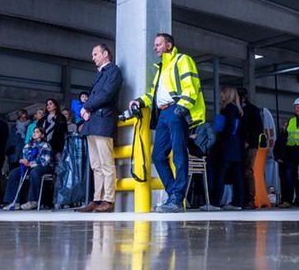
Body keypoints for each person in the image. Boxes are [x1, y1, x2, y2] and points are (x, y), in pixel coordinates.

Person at [129, 33, 205, 214]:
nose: (154, 47)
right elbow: (153, 95)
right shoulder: (161, 68)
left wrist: (182, 107)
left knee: (179, 153)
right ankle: (175, 196)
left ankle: (177, 197)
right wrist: (140, 101)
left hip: (176, 109)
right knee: (158, 156)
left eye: (158, 44)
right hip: (163, 113)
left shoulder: (182, 60)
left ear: (169, 45)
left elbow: (191, 86)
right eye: (154, 45)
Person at [77, 43, 123, 213]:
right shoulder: (100, 74)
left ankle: (108, 199)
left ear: (105, 54)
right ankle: (97, 199)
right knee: (95, 164)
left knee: (106, 163)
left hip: (103, 120)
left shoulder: (113, 71)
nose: (93, 57)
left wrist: (87, 106)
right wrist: (87, 109)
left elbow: (107, 94)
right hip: (93, 122)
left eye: (95, 54)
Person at [3, 126, 53, 210]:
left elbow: (45, 161)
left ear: (42, 135)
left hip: (43, 167)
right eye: (34, 132)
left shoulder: (45, 145)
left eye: (37, 132)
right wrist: (23, 160)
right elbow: (25, 156)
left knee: (35, 173)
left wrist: (30, 164)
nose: (34, 134)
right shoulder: (29, 145)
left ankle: (33, 200)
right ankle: (14, 201)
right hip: (29, 166)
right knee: (13, 173)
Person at [211, 86, 244, 209]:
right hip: (235, 146)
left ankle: (215, 202)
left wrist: (220, 140)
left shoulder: (228, 109)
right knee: (237, 175)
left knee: (221, 173)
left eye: (222, 94)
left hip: (226, 145)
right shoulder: (238, 110)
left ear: (227, 95)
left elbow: (227, 128)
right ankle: (238, 202)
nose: (221, 96)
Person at [237, 88, 270, 209]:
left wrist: (249, 141)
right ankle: (243, 198)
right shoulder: (238, 109)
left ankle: (251, 199)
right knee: (242, 171)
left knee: (248, 171)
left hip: (251, 145)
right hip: (240, 145)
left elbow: (257, 128)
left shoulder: (252, 110)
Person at [277, 97, 299, 208]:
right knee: (289, 176)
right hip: (291, 152)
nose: (296, 108)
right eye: (295, 106)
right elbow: (284, 138)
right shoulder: (291, 121)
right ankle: (288, 200)